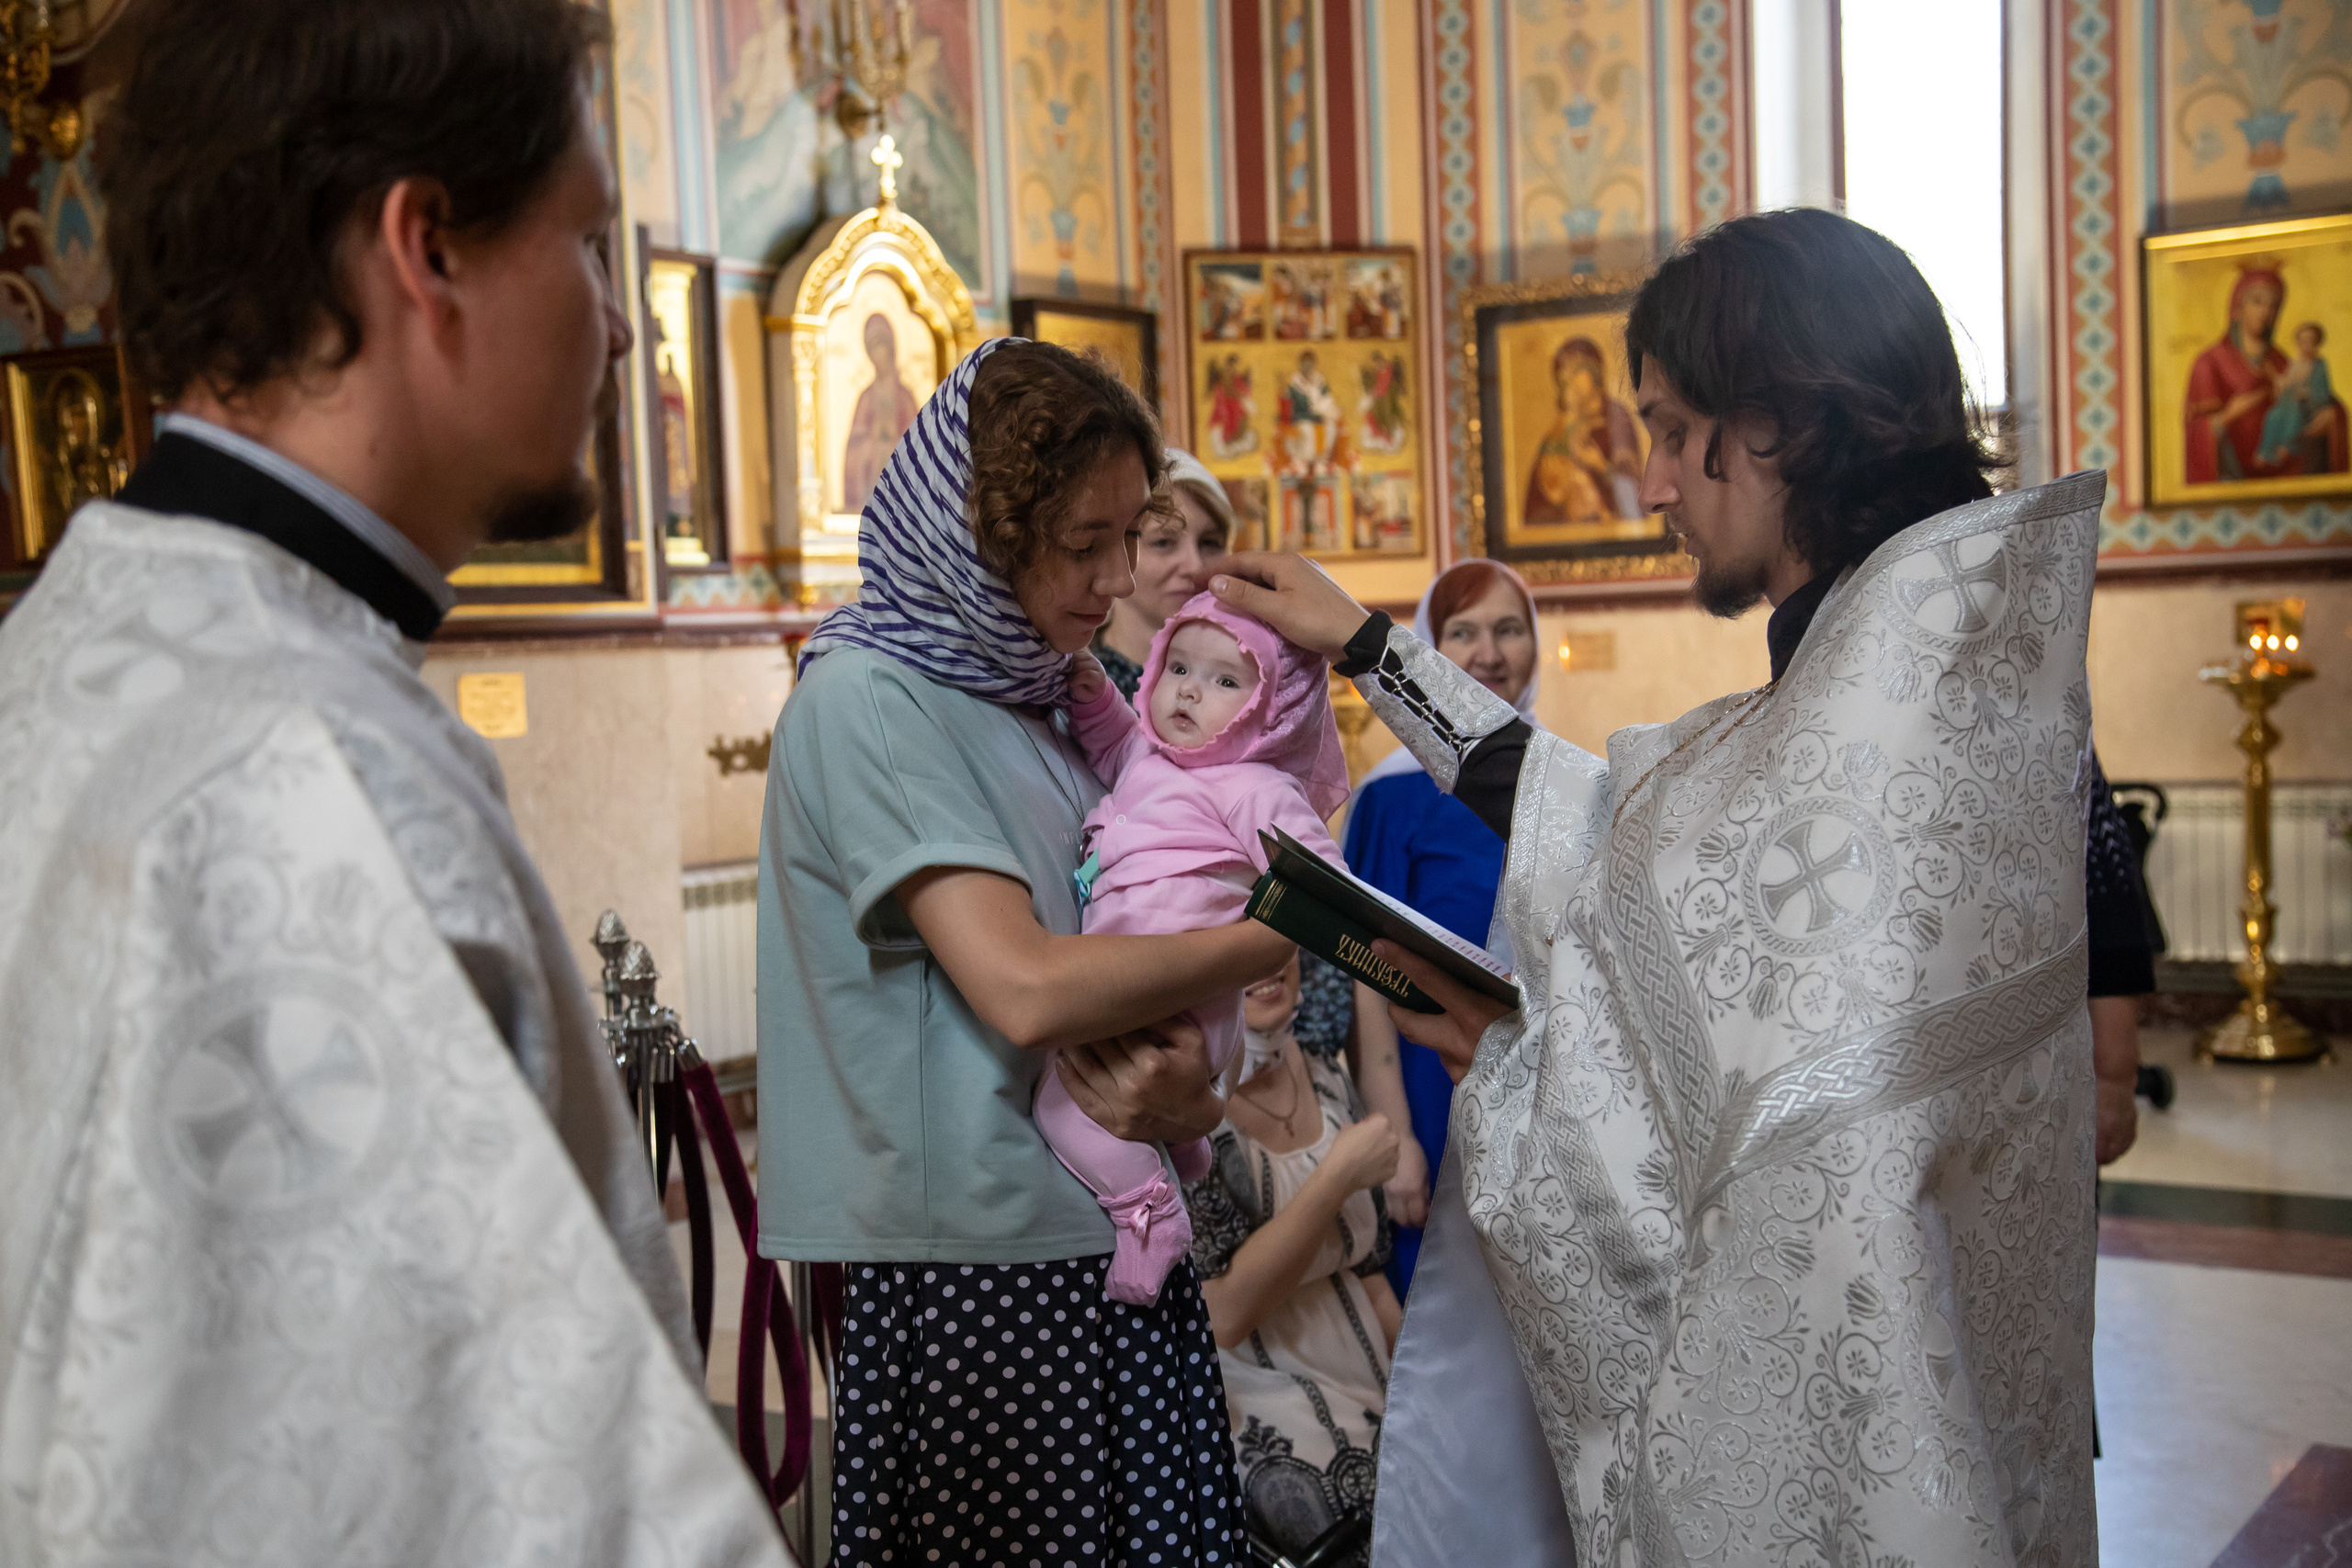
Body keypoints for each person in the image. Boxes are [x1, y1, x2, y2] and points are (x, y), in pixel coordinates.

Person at [0, 3, 787, 1563]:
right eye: (582, 245)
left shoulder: (79, 642)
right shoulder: (311, 777)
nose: (620, 327)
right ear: (424, 250)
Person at [1212, 208, 2116, 1565]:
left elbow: (1774, 1180)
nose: (1647, 482)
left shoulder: (1869, 736)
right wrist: (1364, 644)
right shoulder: (1938, 682)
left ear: (1779, 426)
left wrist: (1509, 1059)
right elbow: (1620, 821)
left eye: (1662, 426)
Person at [757, 338, 1294, 1564]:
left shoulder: (1043, 689)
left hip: (1106, 1242)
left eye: (1129, 538)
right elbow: (1027, 983)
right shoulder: (870, 697)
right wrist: (1277, 928)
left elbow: (1123, 938)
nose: (1116, 581)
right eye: (1081, 543)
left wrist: (1191, 1091)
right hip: (982, 1273)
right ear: (986, 530)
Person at [1047, 594, 1351, 1303]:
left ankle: (1148, 1216)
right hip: (1132, 982)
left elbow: (1324, 885)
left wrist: (1246, 921)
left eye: (1224, 681)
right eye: (1178, 666)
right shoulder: (1153, 759)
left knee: (1059, 1104)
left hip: (1180, 995)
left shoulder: (1256, 787)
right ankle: (1182, 1150)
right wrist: (1097, 703)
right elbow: (1120, 744)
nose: (1188, 689)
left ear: (1271, 709)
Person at [1341, 558, 1543, 1292]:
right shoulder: (1390, 795)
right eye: (1463, 632)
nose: (1488, 653)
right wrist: (1394, 1135)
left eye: (1508, 629)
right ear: (1431, 647)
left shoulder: (1559, 783)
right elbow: (1365, 973)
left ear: (1535, 644)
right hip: (1429, 1089)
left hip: (1542, 1091)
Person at [1183, 956, 1402, 1563]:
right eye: (1239, 945)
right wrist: (1334, 1177)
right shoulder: (1189, 1110)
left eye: (1274, 939)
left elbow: (1371, 1269)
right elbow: (1223, 1312)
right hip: (1261, 1392)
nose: (1265, 962)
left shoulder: (1328, 1071)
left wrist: (1424, 1392)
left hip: (1370, 1371)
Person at [2185, 265, 2347, 482]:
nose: (2265, 312)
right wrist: (2227, 416)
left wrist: (2332, 415)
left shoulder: (2280, 361)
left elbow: (2310, 396)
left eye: (2274, 306)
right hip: (2233, 479)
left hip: (2289, 472)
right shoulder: (2210, 363)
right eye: (2257, 302)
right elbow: (2196, 430)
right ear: (2237, 307)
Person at [1092, 446, 1233, 698]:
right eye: (1164, 542)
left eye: (1210, 543)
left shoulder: (1248, 681)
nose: (1195, 566)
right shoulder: (1077, 693)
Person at [2257, 321, 2336, 469]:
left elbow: (2322, 392)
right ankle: (2266, 451)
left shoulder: (2319, 365)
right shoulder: (2295, 364)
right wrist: (2273, 375)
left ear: (2316, 344)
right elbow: (2285, 383)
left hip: (2308, 405)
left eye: (2309, 341)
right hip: (2288, 403)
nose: (2305, 345)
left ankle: (2286, 447)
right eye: (2302, 341)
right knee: (2272, 415)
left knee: (2294, 415)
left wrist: (2306, 394)